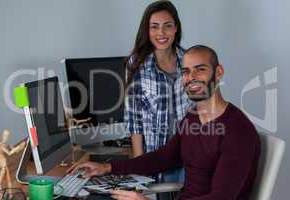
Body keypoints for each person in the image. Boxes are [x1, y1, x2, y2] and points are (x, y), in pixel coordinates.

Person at [68, 45, 261, 200]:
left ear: (218, 72)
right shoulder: (192, 117)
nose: (191, 78)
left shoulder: (238, 130)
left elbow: (221, 197)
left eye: (200, 70)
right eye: (185, 71)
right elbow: (164, 158)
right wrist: (107, 168)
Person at [124, 0, 192, 184]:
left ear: (176, 28)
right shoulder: (137, 64)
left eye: (167, 26)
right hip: (155, 157)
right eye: (154, 27)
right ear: (147, 30)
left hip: (188, 158)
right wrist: (139, 163)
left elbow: (200, 109)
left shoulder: (188, 61)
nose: (161, 33)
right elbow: (134, 117)